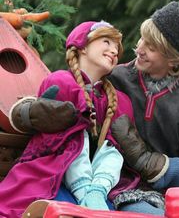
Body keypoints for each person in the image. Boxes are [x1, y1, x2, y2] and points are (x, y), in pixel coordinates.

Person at [9, 1, 179, 216]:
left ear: (174, 61)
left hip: (155, 197)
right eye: (142, 39)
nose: (140, 48)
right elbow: (70, 83)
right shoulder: (115, 77)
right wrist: (28, 112)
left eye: (152, 47)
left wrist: (151, 163)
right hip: (95, 181)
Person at [0, 20, 142, 217]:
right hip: (53, 180)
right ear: (82, 47)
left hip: (100, 192)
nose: (114, 50)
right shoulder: (61, 82)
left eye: (117, 47)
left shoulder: (121, 101)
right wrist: (84, 190)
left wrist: (97, 192)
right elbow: (67, 144)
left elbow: (113, 154)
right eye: (106, 41)